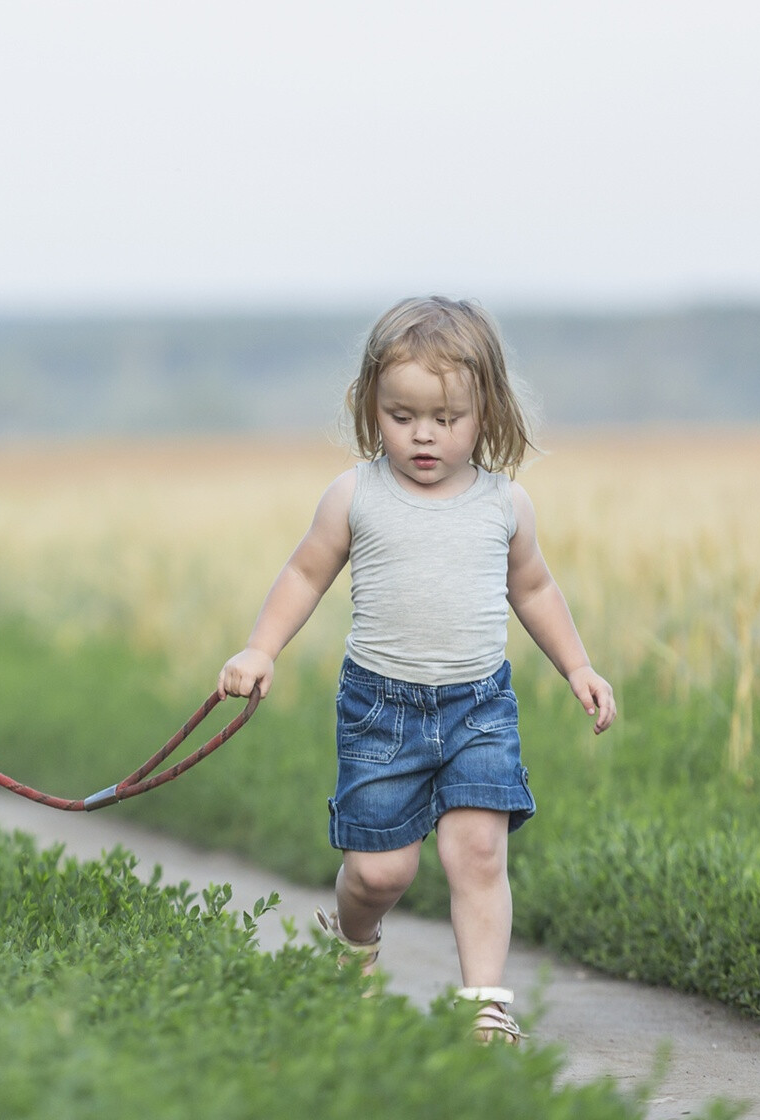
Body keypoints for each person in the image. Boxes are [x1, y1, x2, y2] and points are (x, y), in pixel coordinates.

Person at [218, 296, 615, 1044]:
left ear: (487, 411)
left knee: (477, 850)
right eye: (402, 417)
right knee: (381, 874)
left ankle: (484, 1005)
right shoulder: (354, 495)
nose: (424, 435)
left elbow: (532, 589)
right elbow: (304, 574)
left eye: (447, 418)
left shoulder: (507, 504)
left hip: (478, 707)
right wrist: (259, 649)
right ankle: (350, 940)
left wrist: (578, 667)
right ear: (373, 408)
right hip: (379, 709)